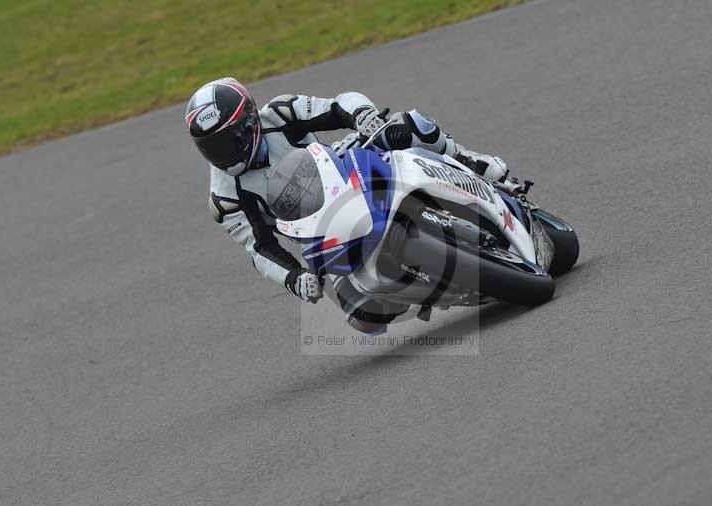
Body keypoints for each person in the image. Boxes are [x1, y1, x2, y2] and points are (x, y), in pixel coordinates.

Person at [185, 77, 508, 333]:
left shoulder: (281, 113)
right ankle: (438, 290)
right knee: (365, 316)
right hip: (324, 236)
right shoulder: (225, 197)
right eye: (211, 147)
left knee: (407, 126)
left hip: (351, 174)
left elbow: (341, 104)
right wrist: (295, 278)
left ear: (249, 122)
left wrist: (363, 117)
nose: (222, 153)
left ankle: (472, 163)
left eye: (227, 140)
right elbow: (260, 248)